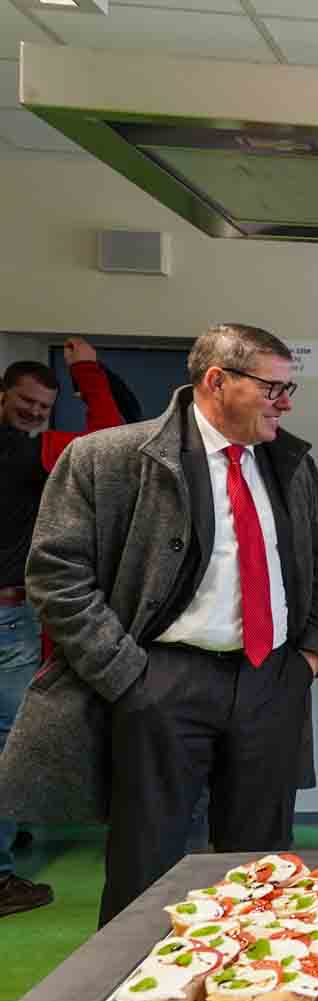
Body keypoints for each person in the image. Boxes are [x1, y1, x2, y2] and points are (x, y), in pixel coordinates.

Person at [0, 324, 318, 926]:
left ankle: (252, 997)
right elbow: (56, 575)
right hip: (161, 680)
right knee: (145, 864)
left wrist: (308, 657)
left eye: (290, 390)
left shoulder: (292, 463)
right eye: (274, 388)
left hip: (270, 680)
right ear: (216, 381)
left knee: (263, 867)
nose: (286, 402)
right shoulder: (109, 459)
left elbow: (315, 569)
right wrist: (128, 677)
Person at [0, 339, 126, 917]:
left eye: (42, 407)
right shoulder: (27, 454)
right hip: (9, 619)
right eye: (26, 401)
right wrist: (86, 373)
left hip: (15, 615)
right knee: (8, 741)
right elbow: (106, 434)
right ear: (4, 396)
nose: (33, 412)